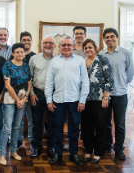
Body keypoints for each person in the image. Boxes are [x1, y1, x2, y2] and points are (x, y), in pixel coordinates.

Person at [45, 36, 89, 165]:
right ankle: (58, 154)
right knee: (57, 128)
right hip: (58, 100)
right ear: (59, 47)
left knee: (74, 128)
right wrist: (49, 100)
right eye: (63, 45)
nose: (66, 47)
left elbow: (85, 81)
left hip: (75, 100)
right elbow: (49, 81)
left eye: (69, 45)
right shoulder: (54, 61)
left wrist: (82, 100)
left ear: (73, 46)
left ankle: (73, 154)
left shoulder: (80, 60)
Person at [99, 28, 134, 160]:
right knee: (106, 122)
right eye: (107, 37)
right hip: (105, 95)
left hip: (120, 94)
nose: (110, 39)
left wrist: (123, 83)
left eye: (112, 36)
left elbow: (130, 73)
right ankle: (107, 145)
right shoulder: (101, 55)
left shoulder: (125, 53)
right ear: (104, 39)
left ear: (117, 38)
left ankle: (119, 148)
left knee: (119, 123)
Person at [81, 39, 114, 164]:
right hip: (85, 100)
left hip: (100, 100)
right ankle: (88, 150)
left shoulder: (102, 60)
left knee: (100, 126)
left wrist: (105, 97)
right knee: (87, 126)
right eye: (86, 48)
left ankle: (98, 152)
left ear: (95, 48)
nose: (88, 50)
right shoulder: (82, 62)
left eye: (90, 47)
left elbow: (109, 80)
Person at [0, 43, 31, 165]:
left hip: (22, 100)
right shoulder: (7, 65)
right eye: (17, 52)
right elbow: (7, 85)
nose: (20, 54)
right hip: (10, 100)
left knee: (17, 126)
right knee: (7, 127)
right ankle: (2, 154)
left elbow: (28, 84)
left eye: (22, 52)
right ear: (12, 53)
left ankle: (13, 151)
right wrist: (18, 100)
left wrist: (24, 98)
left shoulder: (26, 66)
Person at [29, 35, 56, 158]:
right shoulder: (34, 59)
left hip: (54, 96)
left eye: (51, 42)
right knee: (37, 123)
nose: (48, 45)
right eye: (45, 42)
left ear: (55, 46)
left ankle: (51, 147)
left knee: (52, 123)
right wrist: (32, 93)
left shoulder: (59, 59)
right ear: (41, 44)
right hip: (37, 94)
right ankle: (36, 147)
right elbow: (29, 78)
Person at [10, 31, 36, 148]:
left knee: (31, 120)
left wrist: (31, 93)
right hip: (16, 95)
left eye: (28, 40)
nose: (26, 42)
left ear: (31, 41)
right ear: (20, 41)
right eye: (24, 40)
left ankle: (32, 141)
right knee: (18, 121)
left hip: (30, 93)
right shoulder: (13, 56)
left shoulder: (35, 57)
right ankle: (18, 141)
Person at [64, 25, 87, 151]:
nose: (79, 35)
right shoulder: (69, 50)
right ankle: (70, 141)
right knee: (72, 119)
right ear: (73, 36)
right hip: (72, 90)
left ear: (85, 35)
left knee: (86, 118)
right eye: (76, 33)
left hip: (86, 89)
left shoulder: (88, 49)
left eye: (81, 33)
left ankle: (84, 140)